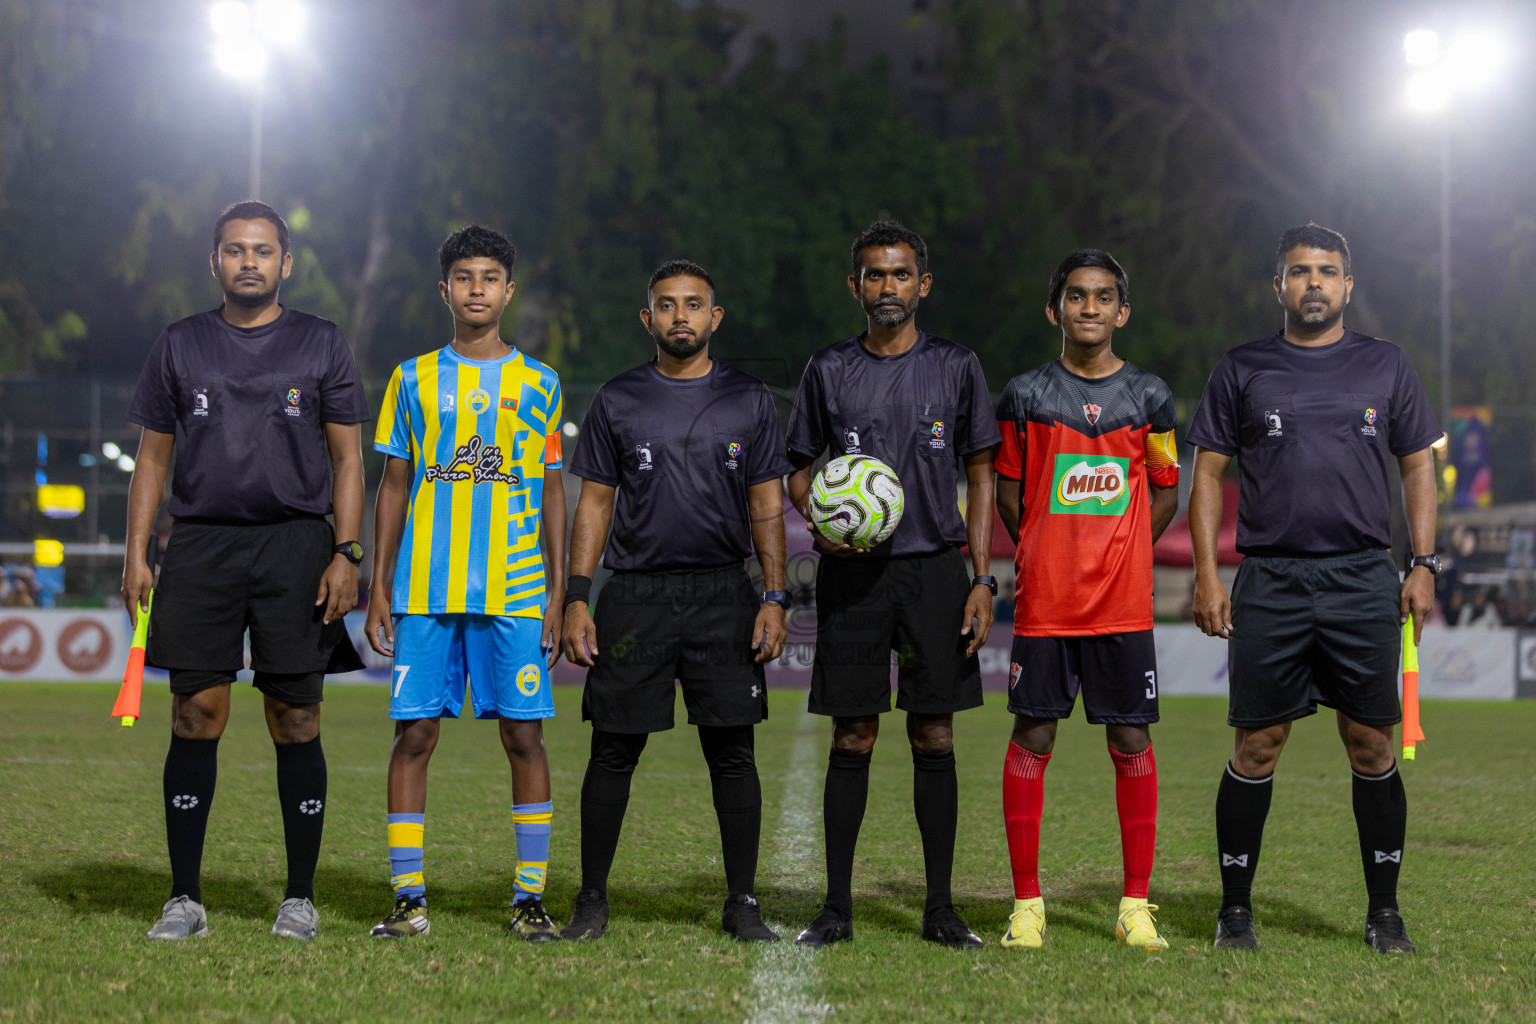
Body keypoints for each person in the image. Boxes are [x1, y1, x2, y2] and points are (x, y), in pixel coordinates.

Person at [1187, 223, 1441, 954]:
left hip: (1363, 575)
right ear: (1279, 286)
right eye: (1300, 271)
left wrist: (1423, 563)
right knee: (1259, 742)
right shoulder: (1242, 369)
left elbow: (1418, 466)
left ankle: (1383, 912)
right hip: (1271, 578)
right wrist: (1208, 574)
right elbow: (1208, 472)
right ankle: (1235, 912)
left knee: (1370, 740)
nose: (1314, 283)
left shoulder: (1386, 365)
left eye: (1327, 271)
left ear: (1348, 286)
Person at [122, 200, 369, 942]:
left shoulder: (321, 343)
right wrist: (137, 550)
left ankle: (299, 897)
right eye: (235, 250)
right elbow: (153, 457)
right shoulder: (180, 344)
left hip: (296, 546)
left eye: (263, 251)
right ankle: (185, 900)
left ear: (285, 263)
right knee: (195, 712)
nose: (249, 262)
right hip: (200, 546)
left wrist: (347, 551)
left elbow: (349, 457)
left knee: (296, 717)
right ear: (215, 262)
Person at [560, 259, 790, 942]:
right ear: (648, 318)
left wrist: (774, 596)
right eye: (666, 305)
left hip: (724, 590)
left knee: (733, 751)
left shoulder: (748, 399)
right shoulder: (618, 399)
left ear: (714, 319)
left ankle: (742, 902)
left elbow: (766, 506)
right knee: (613, 750)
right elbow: (594, 505)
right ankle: (592, 899)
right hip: (635, 595)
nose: (680, 316)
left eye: (693, 305)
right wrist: (577, 596)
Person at [786, 220, 1000, 948]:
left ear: (923, 284)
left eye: (901, 275)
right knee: (853, 733)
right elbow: (794, 466)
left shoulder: (958, 366)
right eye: (874, 276)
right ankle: (836, 909)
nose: (888, 288)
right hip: (853, 575)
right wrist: (821, 514)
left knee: (934, 733)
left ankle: (940, 909)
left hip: (936, 572)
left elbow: (980, 473)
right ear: (856, 287)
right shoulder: (828, 369)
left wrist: (982, 579)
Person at [364, 225, 567, 941]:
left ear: (508, 291)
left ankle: (529, 899)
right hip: (423, 591)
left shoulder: (540, 385)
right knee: (414, 733)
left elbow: (550, 490)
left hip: (514, 592)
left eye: (489, 278)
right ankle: (408, 899)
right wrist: (378, 584)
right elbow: (393, 484)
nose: (476, 289)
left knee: (525, 738)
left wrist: (561, 594)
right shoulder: (412, 378)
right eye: (463, 277)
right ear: (444, 289)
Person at [993, 249, 1180, 951]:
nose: (1090, 308)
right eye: (1077, 297)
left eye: (1104, 297)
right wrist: (1042, 546)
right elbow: (1010, 492)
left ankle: (1135, 905)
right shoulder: (1023, 396)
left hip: (1122, 607)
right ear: (1056, 309)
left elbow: (1165, 485)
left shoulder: (1150, 397)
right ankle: (1027, 905)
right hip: (1046, 603)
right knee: (1032, 738)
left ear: (1122, 311)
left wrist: (1129, 550)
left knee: (1131, 737)